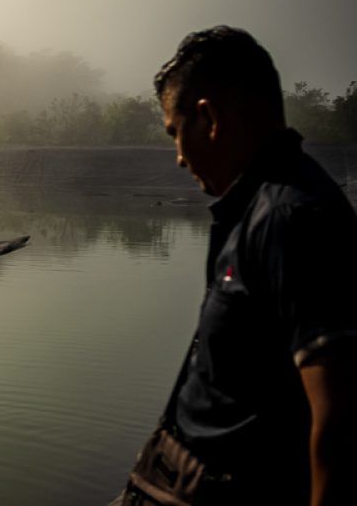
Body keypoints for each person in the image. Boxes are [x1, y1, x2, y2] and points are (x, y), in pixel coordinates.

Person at [116, 26, 357, 506]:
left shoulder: (292, 218)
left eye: (174, 133)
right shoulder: (256, 208)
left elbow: (342, 421)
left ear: (208, 119)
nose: (179, 158)